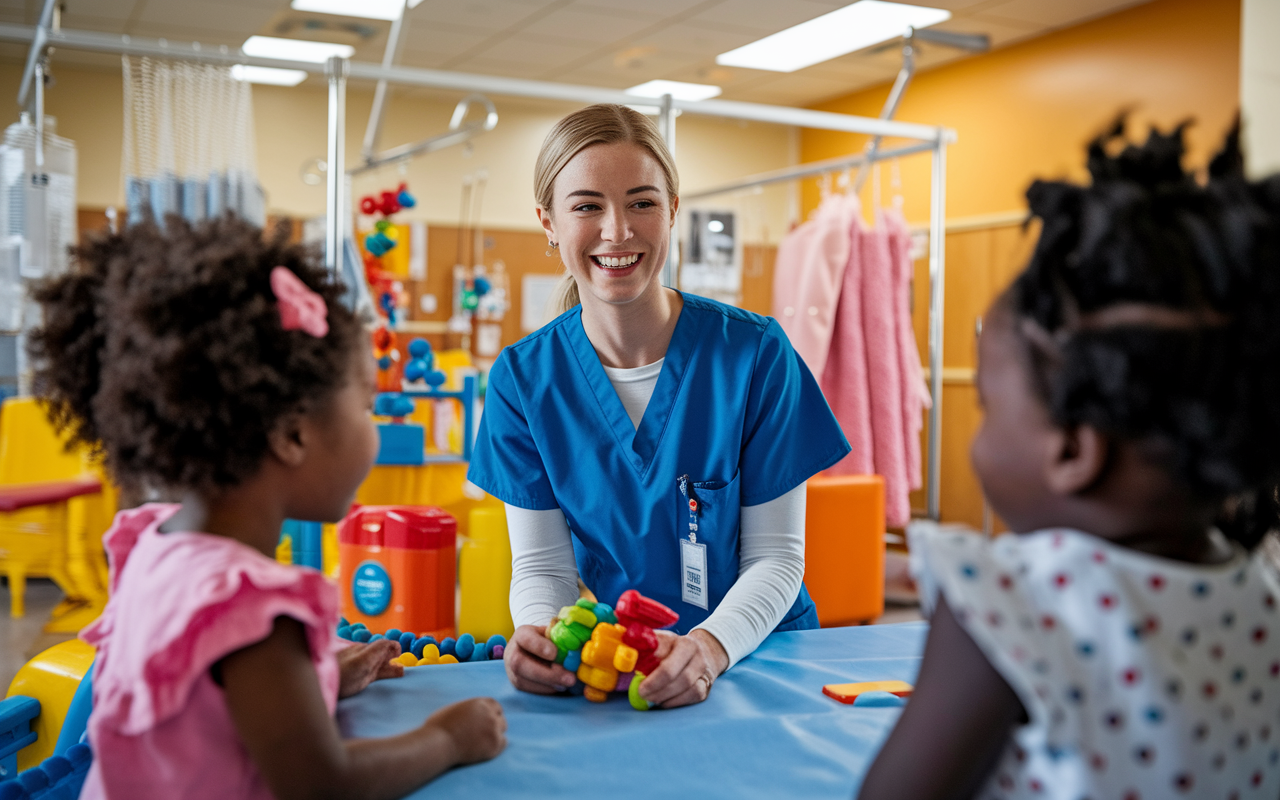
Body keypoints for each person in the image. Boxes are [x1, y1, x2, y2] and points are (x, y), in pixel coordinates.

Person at [858, 120, 1280, 799]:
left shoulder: (1010, 602)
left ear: (1074, 451)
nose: (981, 433)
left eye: (991, 407)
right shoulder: (1260, 598)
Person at [30, 217, 506, 799]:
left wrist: (318, 678)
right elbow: (320, 782)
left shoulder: (155, 544)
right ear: (292, 435)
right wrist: (447, 739)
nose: (375, 431)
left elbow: (210, 709)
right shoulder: (251, 609)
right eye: (366, 406)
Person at [467, 104, 851, 708]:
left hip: (761, 661)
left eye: (642, 202)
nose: (617, 230)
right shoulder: (523, 379)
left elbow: (777, 558)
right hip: (627, 667)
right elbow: (542, 568)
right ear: (548, 222)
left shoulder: (755, 355)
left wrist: (709, 646)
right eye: (587, 205)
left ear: (673, 210)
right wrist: (540, 633)